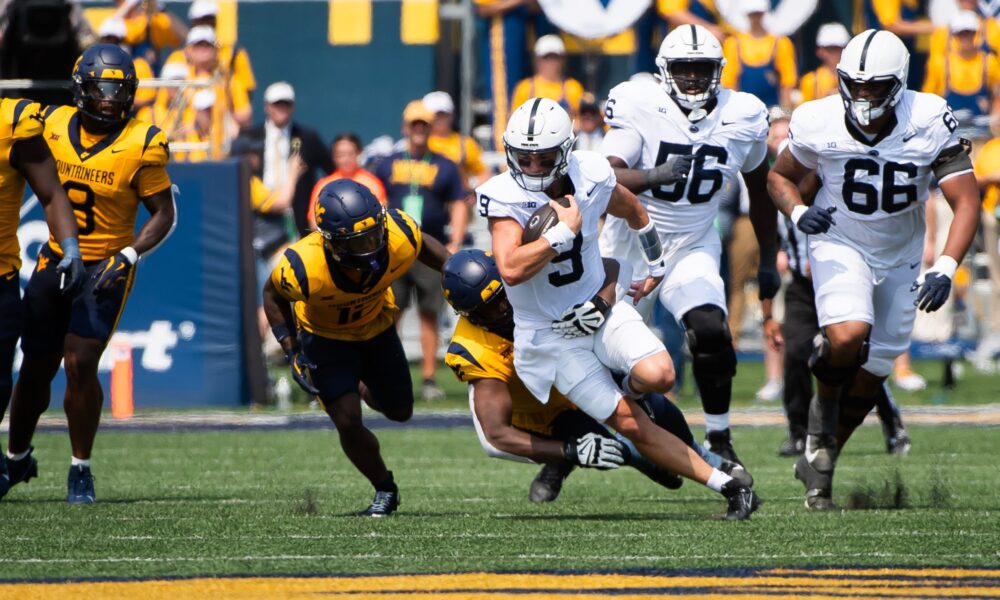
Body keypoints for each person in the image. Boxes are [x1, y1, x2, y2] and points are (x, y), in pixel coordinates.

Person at [480, 96, 761, 520]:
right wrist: (560, 234)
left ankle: (623, 389)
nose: (533, 167)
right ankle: (729, 488)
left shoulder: (591, 172)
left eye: (543, 158)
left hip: (601, 308)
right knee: (631, 425)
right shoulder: (502, 196)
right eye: (525, 157)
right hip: (552, 338)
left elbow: (634, 209)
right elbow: (511, 269)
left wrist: (656, 261)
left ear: (566, 151)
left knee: (660, 375)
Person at [768, 29, 980, 509]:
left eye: (874, 86)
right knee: (846, 336)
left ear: (899, 83)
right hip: (840, 240)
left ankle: (823, 463)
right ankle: (821, 412)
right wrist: (800, 213)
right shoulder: (818, 118)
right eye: (855, 84)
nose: (863, 95)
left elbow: (966, 201)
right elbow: (779, 177)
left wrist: (945, 265)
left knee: (875, 371)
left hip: (903, 254)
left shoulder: (927, 118)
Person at [598, 24, 781, 466]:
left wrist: (771, 259)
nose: (694, 78)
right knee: (588, 357)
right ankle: (566, 451)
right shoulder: (641, 104)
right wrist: (650, 177)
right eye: (685, 69)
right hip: (629, 245)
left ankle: (718, 437)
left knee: (712, 333)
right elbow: (602, 174)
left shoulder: (743, 115)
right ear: (665, 71)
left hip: (694, 242)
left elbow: (761, 189)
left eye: (702, 69)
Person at [5, 44, 176, 504]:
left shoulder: (142, 142)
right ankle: (16, 457)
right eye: (100, 90)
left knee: (80, 363)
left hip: (105, 267)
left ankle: (80, 467)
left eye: (118, 92)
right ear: (81, 89)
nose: (109, 101)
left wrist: (129, 255)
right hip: (56, 258)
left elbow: (164, 214)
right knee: (35, 366)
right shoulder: (52, 124)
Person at [441, 249, 751, 501]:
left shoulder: (526, 274)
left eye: (506, 294)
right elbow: (496, 434)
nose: (507, 307)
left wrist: (600, 303)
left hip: (580, 362)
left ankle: (704, 457)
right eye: (493, 308)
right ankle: (567, 461)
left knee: (649, 405)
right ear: (473, 317)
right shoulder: (475, 349)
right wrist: (569, 450)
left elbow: (611, 266)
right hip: (548, 411)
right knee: (618, 449)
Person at [262, 179, 450, 517]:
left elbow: (425, 246)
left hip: (377, 328)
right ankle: (385, 488)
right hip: (324, 338)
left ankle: (360, 384)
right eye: (358, 241)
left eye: (374, 234)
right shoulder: (303, 267)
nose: (372, 245)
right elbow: (272, 295)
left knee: (400, 411)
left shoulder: (397, 233)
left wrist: (457, 272)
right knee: (348, 421)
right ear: (331, 243)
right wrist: (291, 351)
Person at [0, 98, 84, 498]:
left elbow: (51, 194)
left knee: (1, 380)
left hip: (0, 277)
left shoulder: (12, 124)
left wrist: (69, 246)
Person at [375, 100, 467, 401]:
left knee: (430, 313)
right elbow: (376, 197)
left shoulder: (444, 163)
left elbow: (458, 202)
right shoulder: (387, 162)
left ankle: (428, 377)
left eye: (423, 125)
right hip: (395, 247)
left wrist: (455, 240)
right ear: (405, 127)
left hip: (430, 247)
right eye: (414, 124)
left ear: (430, 129)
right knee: (391, 313)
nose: (418, 130)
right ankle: (387, 374)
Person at [242, 82, 333, 235]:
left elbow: (332, 172)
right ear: (267, 106)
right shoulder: (249, 138)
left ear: (293, 106)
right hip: (257, 218)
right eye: (277, 104)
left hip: (296, 219)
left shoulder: (307, 137)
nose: (282, 108)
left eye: (287, 104)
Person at [161, 0, 256, 98]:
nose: (206, 24)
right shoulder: (178, 57)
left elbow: (247, 90)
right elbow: (166, 93)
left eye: (210, 20)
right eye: (201, 20)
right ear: (193, 22)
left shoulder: (233, 53)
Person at [922, 11, 1000, 125]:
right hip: (949, 132)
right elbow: (927, 99)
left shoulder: (989, 61)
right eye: (961, 34)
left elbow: (997, 92)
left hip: (981, 131)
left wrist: (994, 114)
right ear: (954, 36)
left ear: (976, 34)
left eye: (969, 33)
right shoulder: (940, 63)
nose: (966, 38)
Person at [721, 0, 797, 110]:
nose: (755, 18)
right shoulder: (733, 44)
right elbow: (729, 83)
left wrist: (786, 113)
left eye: (758, 13)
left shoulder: (781, 43)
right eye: (753, 14)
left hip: (773, 109)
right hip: (744, 110)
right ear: (747, 14)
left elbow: (787, 83)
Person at [308, 133, 387, 228]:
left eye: (350, 154)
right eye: (341, 155)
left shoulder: (373, 183)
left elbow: (382, 215)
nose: (346, 159)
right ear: (333, 157)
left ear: (359, 153)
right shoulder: (323, 186)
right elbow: (314, 222)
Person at [423, 91, 490, 191]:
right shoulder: (418, 142)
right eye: (435, 115)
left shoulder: (465, 143)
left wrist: (472, 189)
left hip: (457, 198)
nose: (439, 119)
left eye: (443, 114)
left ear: (451, 115)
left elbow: (484, 173)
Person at [510, 35, 585, 120]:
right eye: (546, 58)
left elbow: (582, 121)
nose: (551, 63)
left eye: (555, 58)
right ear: (537, 60)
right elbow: (515, 120)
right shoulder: (525, 88)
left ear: (562, 60)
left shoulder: (572, 87)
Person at [96, 17, 156, 111]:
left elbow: (148, 99)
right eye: (106, 39)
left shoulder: (139, 65)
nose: (110, 45)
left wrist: (120, 100)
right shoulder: (94, 65)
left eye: (115, 40)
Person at [798, 23, 851, 105]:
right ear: (820, 51)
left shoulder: (854, 78)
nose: (838, 53)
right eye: (832, 49)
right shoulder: (810, 81)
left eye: (841, 48)